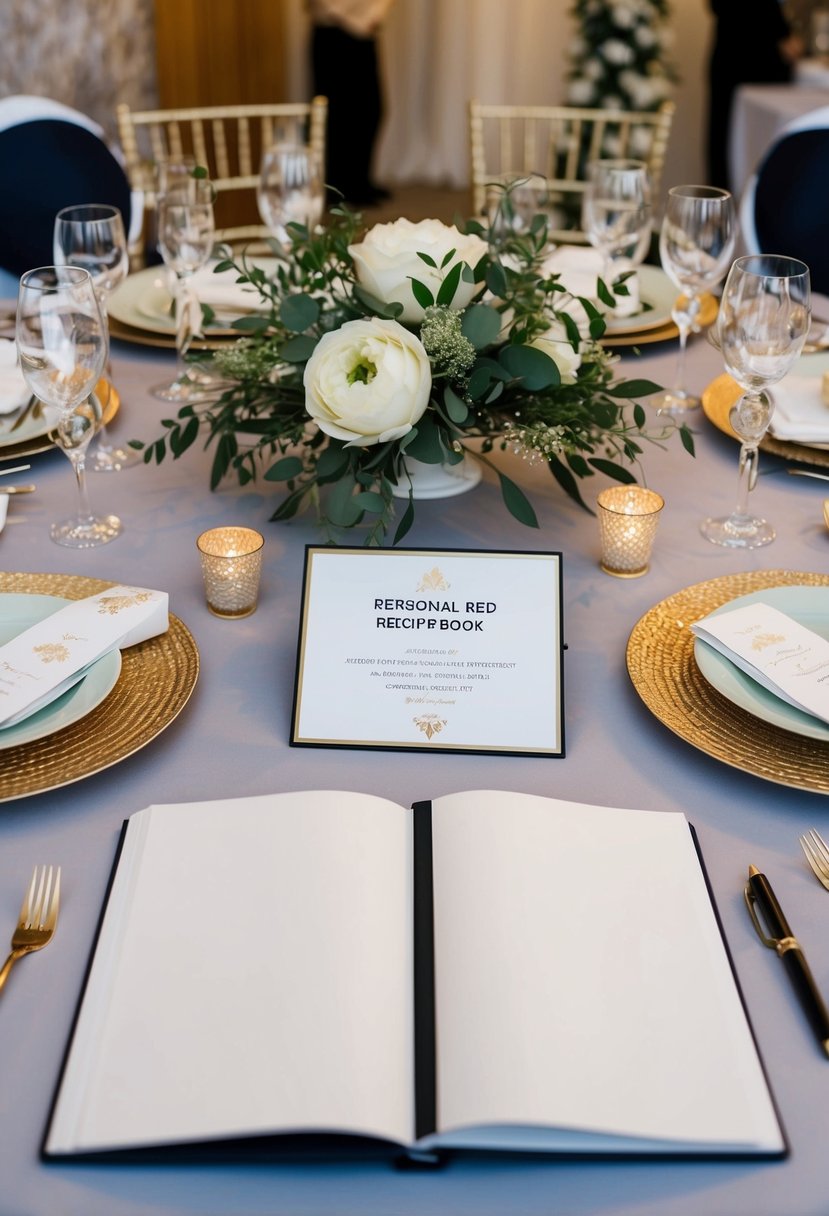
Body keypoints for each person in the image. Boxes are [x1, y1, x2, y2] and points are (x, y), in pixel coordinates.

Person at [706, 0, 805, 191]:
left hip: (741, 55)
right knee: (742, 146)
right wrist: (782, 33)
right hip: (751, 58)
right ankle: (731, 212)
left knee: (729, 141)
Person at [307, 0, 395, 206]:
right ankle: (338, 188)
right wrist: (356, 18)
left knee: (369, 111)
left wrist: (371, 15)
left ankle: (360, 181)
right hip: (333, 34)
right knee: (338, 116)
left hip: (364, 32)